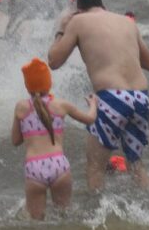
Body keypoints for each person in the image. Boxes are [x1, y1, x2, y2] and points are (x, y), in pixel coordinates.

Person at [48, 0, 149, 190]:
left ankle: (94, 216)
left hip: (113, 98)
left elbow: (53, 61)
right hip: (141, 98)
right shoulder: (127, 22)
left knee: (95, 167)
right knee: (136, 164)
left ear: (78, 10)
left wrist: (62, 29)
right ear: (102, 5)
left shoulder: (78, 22)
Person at [11, 58, 97, 220]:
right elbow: (90, 119)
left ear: (27, 86)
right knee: (65, 216)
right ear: (48, 83)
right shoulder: (61, 105)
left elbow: (15, 141)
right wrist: (93, 104)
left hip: (34, 167)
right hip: (59, 165)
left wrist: (30, 129)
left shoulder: (21, 107)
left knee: (35, 222)